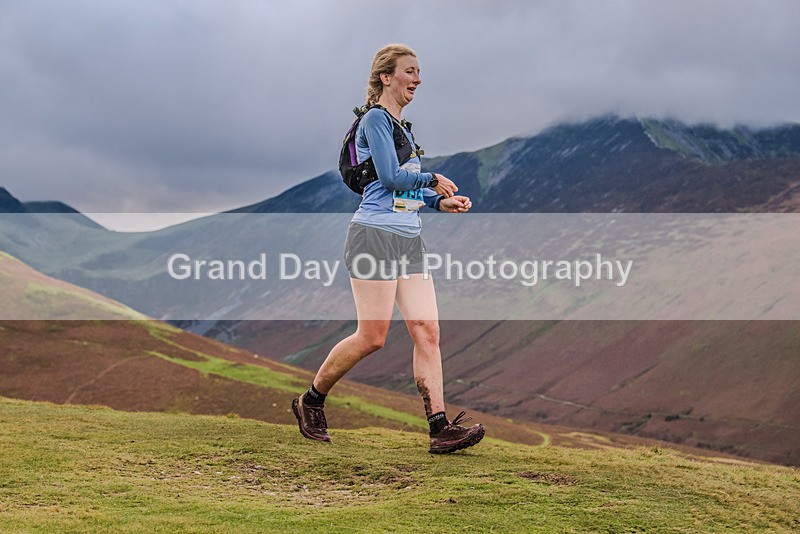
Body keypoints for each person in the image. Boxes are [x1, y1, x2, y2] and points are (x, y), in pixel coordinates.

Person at [292, 44, 484, 454]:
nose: (418, 79)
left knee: (427, 330)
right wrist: (432, 178)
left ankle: (440, 428)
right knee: (372, 337)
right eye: (409, 71)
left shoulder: (403, 128)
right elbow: (392, 178)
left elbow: (401, 190)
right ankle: (311, 400)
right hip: (374, 235)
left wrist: (438, 202)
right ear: (386, 77)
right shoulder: (376, 119)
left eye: (418, 72)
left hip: (408, 239)